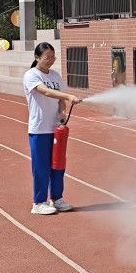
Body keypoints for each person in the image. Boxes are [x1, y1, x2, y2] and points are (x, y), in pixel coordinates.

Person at [23, 42, 81, 215]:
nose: (50, 60)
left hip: (56, 128)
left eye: (52, 57)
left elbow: (60, 100)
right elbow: (46, 92)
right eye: (46, 57)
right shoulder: (31, 75)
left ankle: (56, 198)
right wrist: (68, 95)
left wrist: (62, 111)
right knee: (41, 167)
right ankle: (38, 202)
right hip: (39, 129)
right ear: (37, 58)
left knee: (58, 165)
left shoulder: (55, 75)